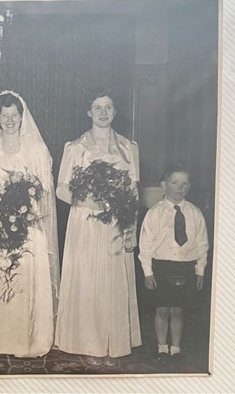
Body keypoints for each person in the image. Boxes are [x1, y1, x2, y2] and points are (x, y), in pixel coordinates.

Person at [55, 91, 142, 365]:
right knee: (89, 282)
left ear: (115, 112)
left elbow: (134, 192)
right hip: (86, 223)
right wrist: (92, 201)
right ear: (89, 113)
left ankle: (113, 344)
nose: (103, 112)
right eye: (97, 107)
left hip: (117, 224)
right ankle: (89, 344)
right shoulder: (75, 147)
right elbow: (61, 189)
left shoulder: (129, 147)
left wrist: (131, 229)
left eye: (108, 107)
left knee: (114, 284)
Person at [0, 91, 59, 357]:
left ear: (22, 117)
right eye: (4, 115)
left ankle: (27, 337)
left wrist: (24, 211)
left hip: (28, 224)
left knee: (24, 281)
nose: (9, 120)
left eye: (14, 115)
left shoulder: (37, 149)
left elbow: (44, 191)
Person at [138, 163, 209, 364]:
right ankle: (162, 348)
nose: (180, 187)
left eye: (185, 183)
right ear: (164, 184)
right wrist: (148, 272)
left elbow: (202, 244)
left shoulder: (195, 213)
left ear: (189, 186)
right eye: (175, 182)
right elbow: (146, 245)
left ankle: (175, 349)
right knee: (162, 309)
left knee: (178, 309)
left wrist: (200, 270)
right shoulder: (155, 213)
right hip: (161, 266)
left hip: (185, 267)